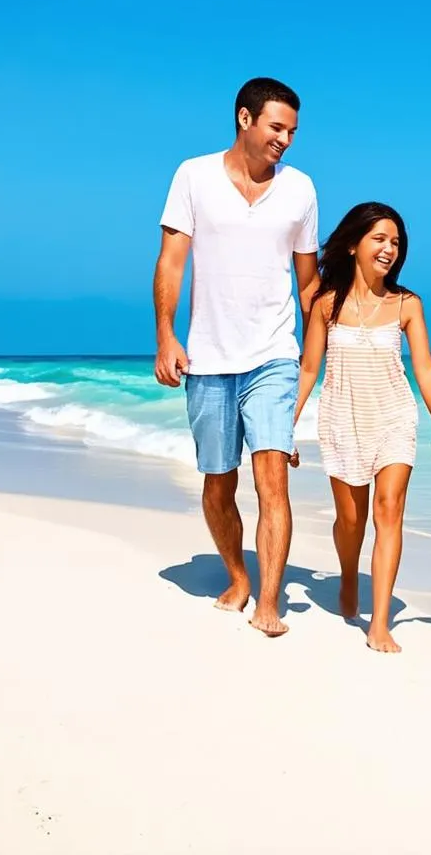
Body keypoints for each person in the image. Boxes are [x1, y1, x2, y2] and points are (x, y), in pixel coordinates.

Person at [153, 77, 319, 637]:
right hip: (208, 357)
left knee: (273, 479)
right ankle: (237, 575)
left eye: (293, 131)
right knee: (218, 484)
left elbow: (309, 284)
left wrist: (327, 350)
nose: (285, 140)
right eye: (277, 127)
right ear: (244, 119)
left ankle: (268, 602)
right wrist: (166, 335)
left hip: (275, 353)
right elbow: (173, 259)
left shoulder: (300, 190)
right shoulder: (193, 176)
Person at [293, 202, 431, 654]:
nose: (389, 249)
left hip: (393, 415)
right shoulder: (325, 304)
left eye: (396, 242)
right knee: (351, 520)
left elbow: (424, 368)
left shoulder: (407, 305)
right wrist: (285, 427)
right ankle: (349, 574)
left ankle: (380, 622)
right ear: (353, 245)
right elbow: (309, 369)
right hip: (342, 415)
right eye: (380, 239)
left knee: (389, 512)